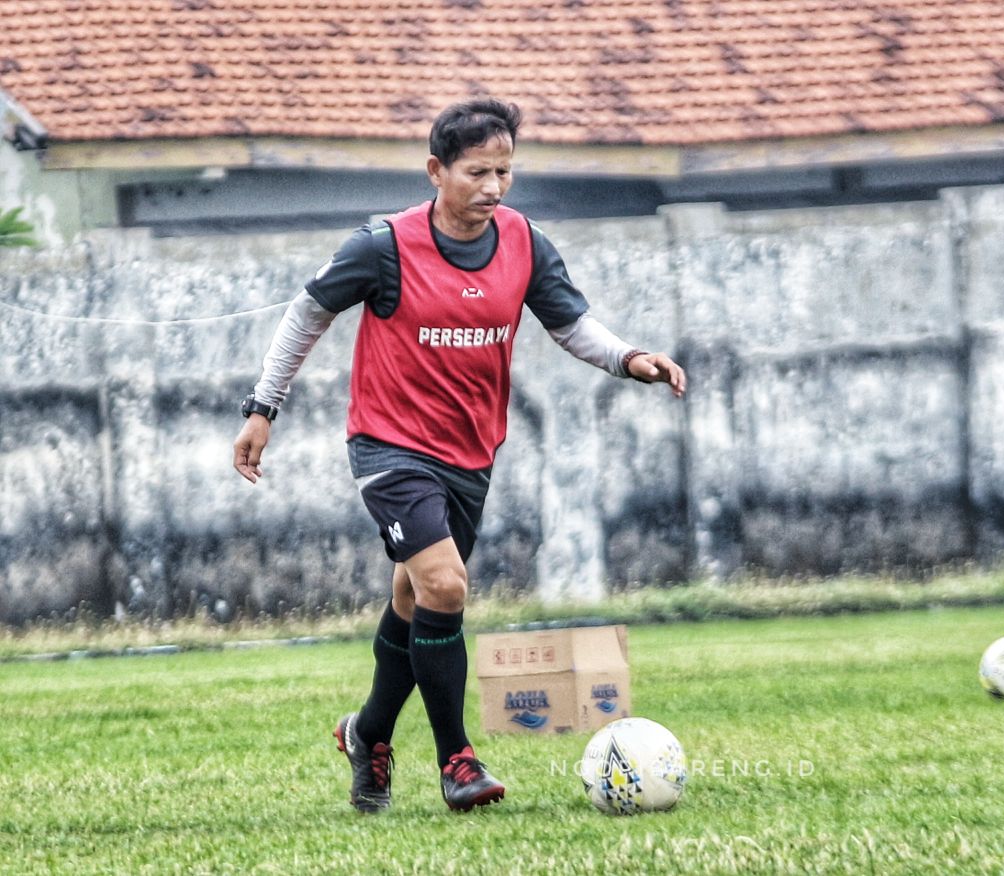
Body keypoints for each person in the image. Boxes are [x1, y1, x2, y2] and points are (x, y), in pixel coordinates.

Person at [230, 97, 686, 813]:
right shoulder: (383, 245)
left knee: (416, 602)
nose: (495, 187)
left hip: (471, 452)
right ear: (436, 171)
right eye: (478, 172)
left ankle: (368, 732)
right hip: (388, 447)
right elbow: (307, 313)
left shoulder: (524, 243)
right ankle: (458, 762)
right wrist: (263, 407)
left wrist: (630, 358)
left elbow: (571, 324)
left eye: (505, 171)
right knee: (445, 586)